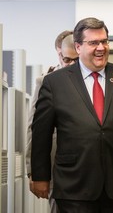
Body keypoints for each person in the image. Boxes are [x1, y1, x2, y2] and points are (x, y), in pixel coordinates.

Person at [30, 17, 113, 213]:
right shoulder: (55, 83)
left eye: (104, 41)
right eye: (94, 42)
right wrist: (39, 175)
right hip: (73, 184)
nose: (101, 47)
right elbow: (41, 133)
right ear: (78, 47)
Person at [26, 32, 78, 213]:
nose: (72, 64)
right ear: (59, 53)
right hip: (55, 161)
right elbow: (34, 127)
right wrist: (33, 169)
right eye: (67, 59)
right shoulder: (45, 80)